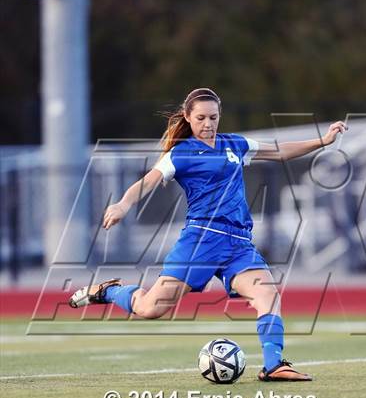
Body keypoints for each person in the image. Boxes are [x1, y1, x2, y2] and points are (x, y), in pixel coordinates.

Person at [69, 88, 347, 381]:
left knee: (267, 294)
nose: (208, 123)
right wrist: (123, 203)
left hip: (238, 244)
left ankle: (274, 365)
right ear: (188, 117)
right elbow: (148, 181)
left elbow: (278, 151)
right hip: (201, 241)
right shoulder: (182, 153)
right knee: (150, 308)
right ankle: (108, 291)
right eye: (200, 117)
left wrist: (323, 141)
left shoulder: (235, 144)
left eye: (213, 117)